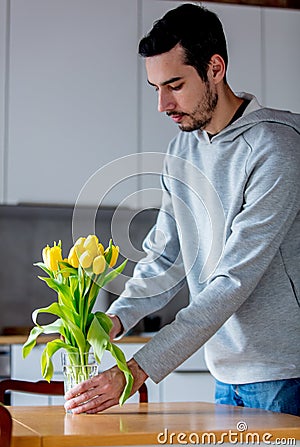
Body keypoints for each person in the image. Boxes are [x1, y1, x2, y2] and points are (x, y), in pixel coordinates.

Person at [64, 3, 300, 415]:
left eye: (174, 84)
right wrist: (115, 319)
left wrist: (137, 370)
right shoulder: (182, 149)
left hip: (285, 372)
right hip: (224, 372)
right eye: (155, 88)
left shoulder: (275, 147)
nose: (163, 104)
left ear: (215, 68)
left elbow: (233, 280)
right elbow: (164, 258)